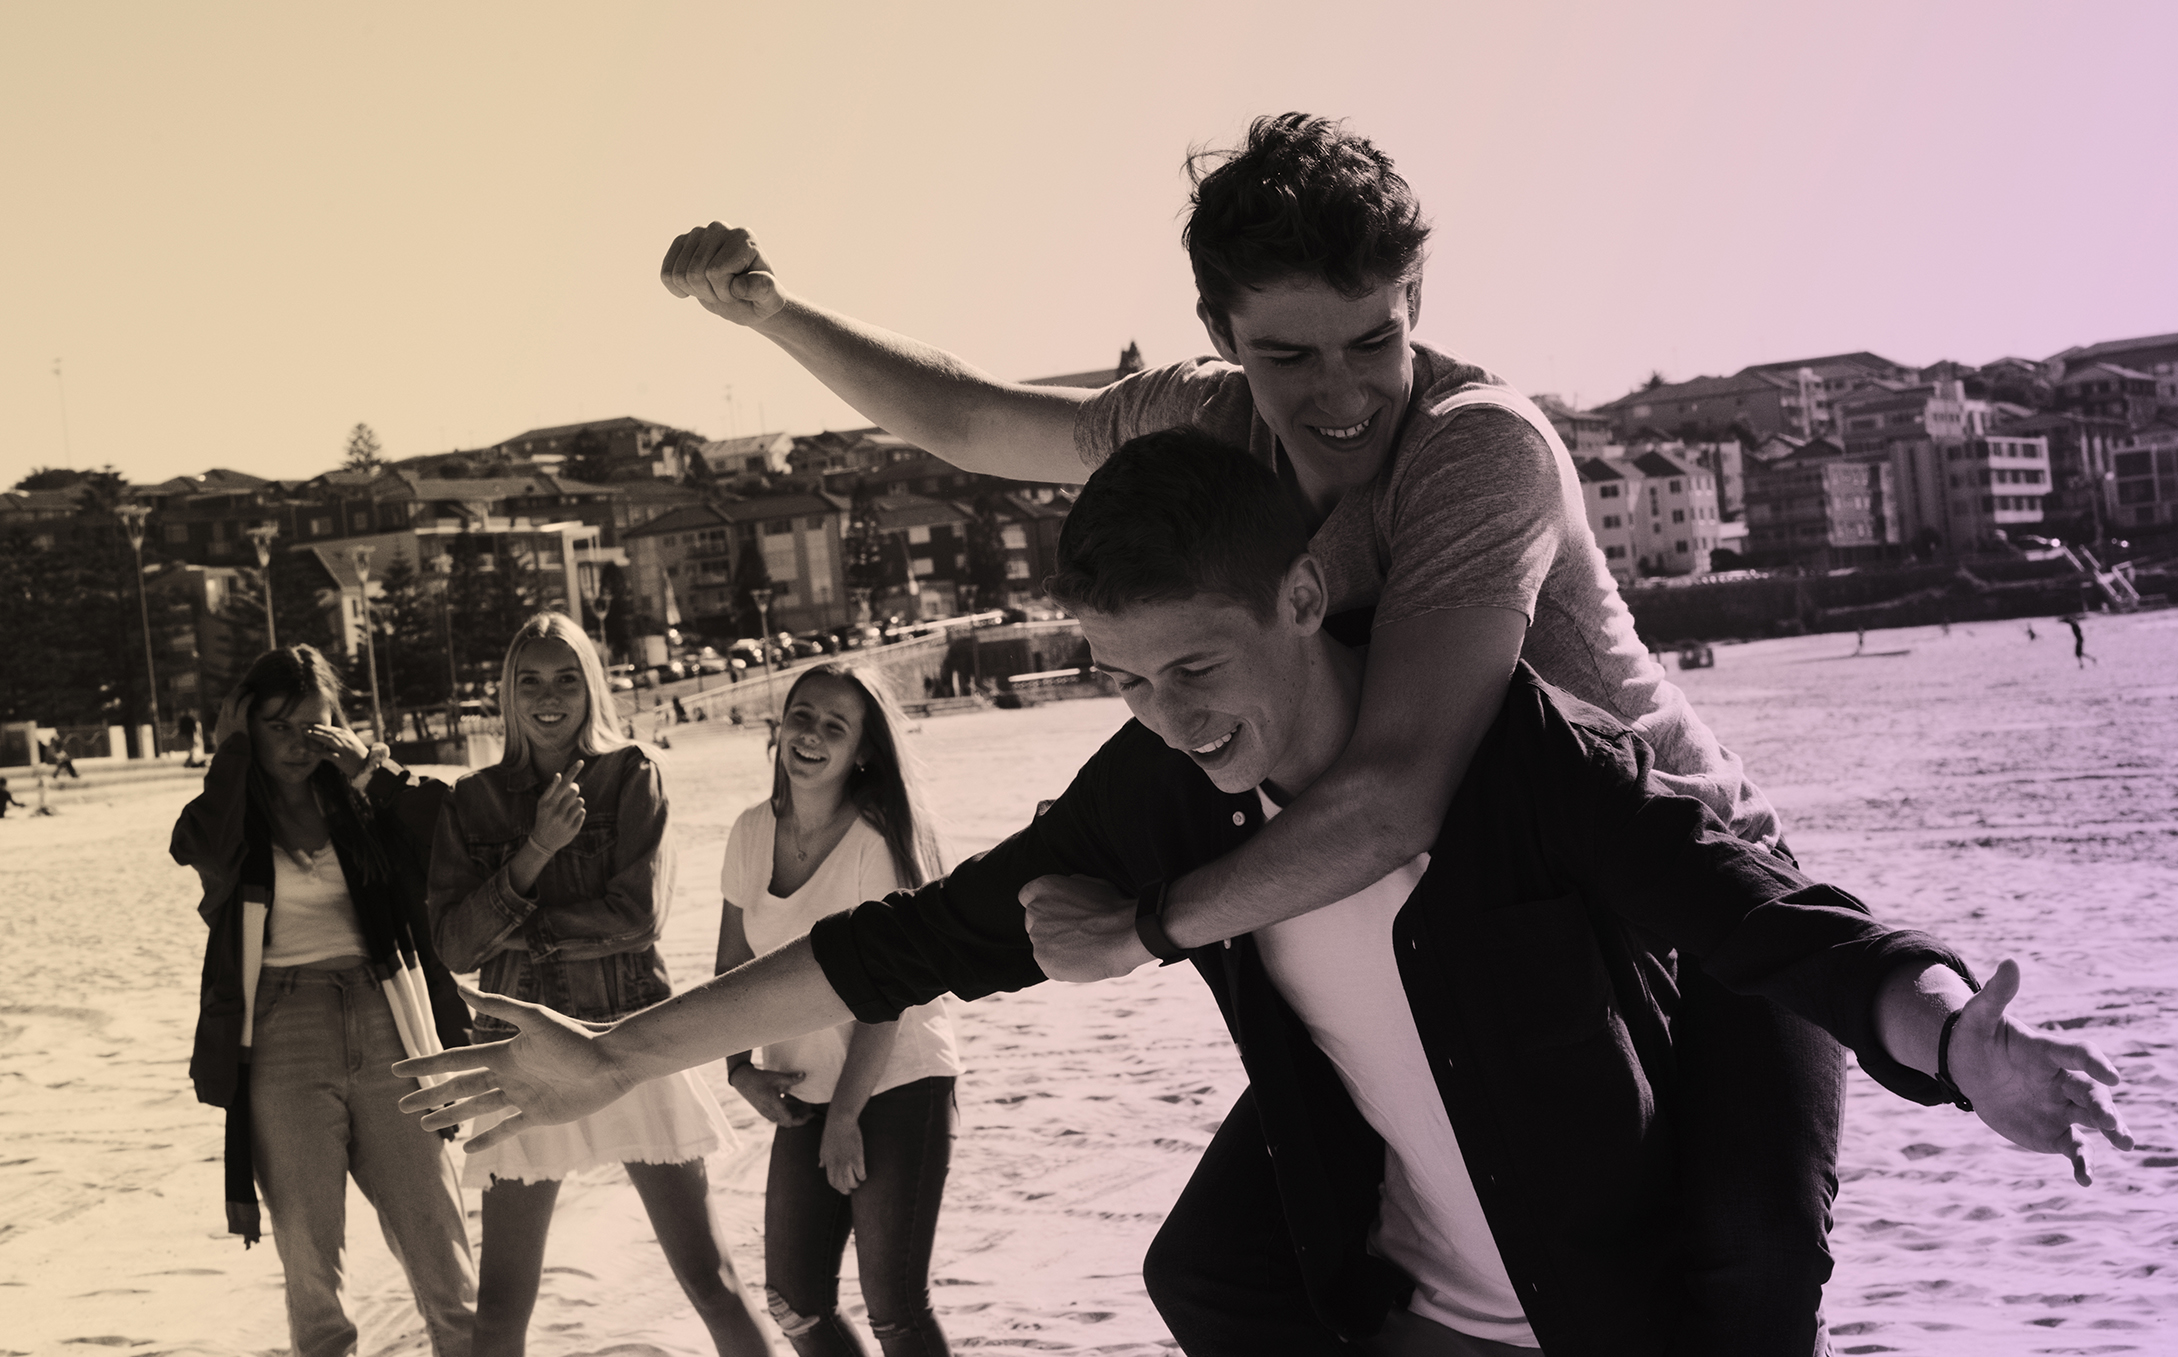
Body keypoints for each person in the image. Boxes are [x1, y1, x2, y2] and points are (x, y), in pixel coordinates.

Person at [400, 432, 2134, 1357]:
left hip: (1626, 1305)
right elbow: (904, 941)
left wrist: (1946, 1041)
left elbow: (1746, 908)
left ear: (1306, 596)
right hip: (1410, 1314)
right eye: (1126, 680)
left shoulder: (1505, 754)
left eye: (1195, 664)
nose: (1168, 716)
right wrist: (624, 1058)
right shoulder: (1159, 791)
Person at [657, 112, 1841, 1338]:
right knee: (1219, 1268)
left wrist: (1145, 927)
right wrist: (775, 313)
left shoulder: (1476, 450)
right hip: (1470, 915)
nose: (1342, 395)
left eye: (1375, 337)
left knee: (1748, 1263)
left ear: (1416, 296)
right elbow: (969, 421)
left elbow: (1395, 792)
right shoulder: (1204, 421)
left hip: (1689, 887)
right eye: (1288, 355)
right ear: (1222, 334)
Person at [426, 612, 770, 1357]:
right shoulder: (473, 800)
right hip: (519, 1054)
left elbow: (637, 917)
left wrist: (514, 918)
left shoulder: (630, 772)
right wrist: (537, 850)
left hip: (632, 1039)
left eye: (566, 679)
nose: (549, 697)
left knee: (711, 1280)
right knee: (500, 1310)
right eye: (531, 681)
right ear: (507, 694)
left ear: (593, 686)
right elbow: (453, 943)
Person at [169, 645, 476, 1357]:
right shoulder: (232, 814)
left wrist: (368, 765)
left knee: (444, 1255)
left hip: (387, 1014)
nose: (297, 745)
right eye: (276, 726)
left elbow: (450, 834)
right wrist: (232, 752)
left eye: (313, 725)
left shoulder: (360, 798)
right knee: (313, 1276)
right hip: (281, 1028)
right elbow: (199, 845)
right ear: (246, 726)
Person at [716, 662, 959, 1354]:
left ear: (864, 750)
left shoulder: (874, 843)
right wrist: (739, 1068)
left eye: (835, 726)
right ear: (779, 724)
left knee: (895, 1310)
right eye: (801, 715)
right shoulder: (750, 831)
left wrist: (847, 1114)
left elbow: (891, 991)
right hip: (805, 1086)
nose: (812, 735)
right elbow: (730, 966)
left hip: (897, 1079)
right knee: (794, 1302)